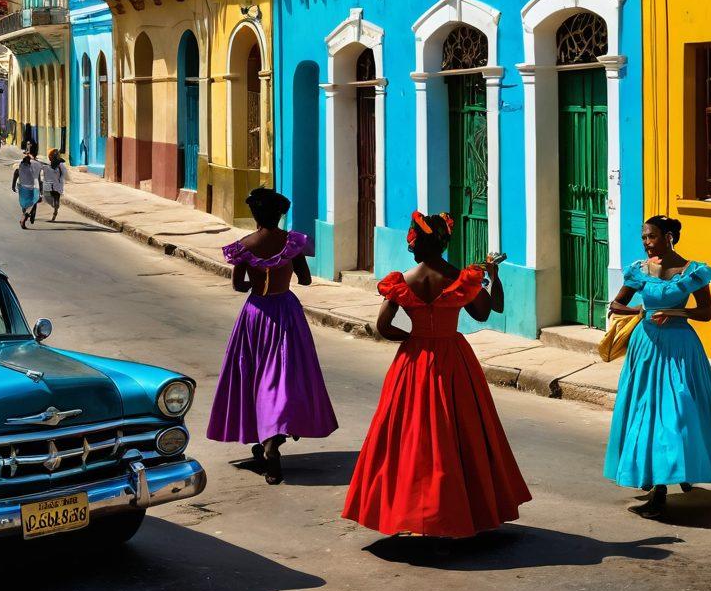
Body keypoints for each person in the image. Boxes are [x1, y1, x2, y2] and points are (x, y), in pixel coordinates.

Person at [342, 211, 531, 538]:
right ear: (443, 244)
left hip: (413, 362)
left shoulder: (403, 280)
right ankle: (452, 515)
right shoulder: (460, 278)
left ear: (417, 244)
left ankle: (409, 513)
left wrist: (413, 341)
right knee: (456, 434)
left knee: (409, 436)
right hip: (453, 361)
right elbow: (489, 311)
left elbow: (384, 327)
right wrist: (494, 277)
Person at [604, 215, 711, 519]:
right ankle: (658, 487)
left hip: (681, 348)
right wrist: (639, 309)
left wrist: (675, 311)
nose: (646, 243)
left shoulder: (693, 272)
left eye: (652, 237)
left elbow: (706, 312)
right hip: (645, 347)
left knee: (679, 413)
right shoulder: (638, 271)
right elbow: (615, 305)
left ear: (669, 237)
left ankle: (678, 470)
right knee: (646, 413)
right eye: (644, 237)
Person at [207, 187, 338, 485]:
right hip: (287, 313)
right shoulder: (292, 243)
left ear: (254, 215)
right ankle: (273, 438)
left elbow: (238, 285)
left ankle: (267, 439)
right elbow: (304, 279)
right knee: (284, 376)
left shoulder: (245, 246)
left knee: (255, 376)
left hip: (256, 314)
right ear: (280, 214)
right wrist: (288, 271)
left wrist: (256, 280)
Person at [11, 150, 42, 229]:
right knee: (33, 202)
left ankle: (26, 214)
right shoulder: (34, 168)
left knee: (25, 205)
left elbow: (16, 174)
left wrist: (13, 185)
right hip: (31, 188)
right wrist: (40, 190)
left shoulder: (20, 168)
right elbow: (37, 180)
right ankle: (24, 218)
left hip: (22, 188)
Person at [41, 148, 67, 222]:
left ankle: (55, 207)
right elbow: (64, 174)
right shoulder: (61, 165)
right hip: (57, 185)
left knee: (50, 197)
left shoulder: (47, 165)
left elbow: (43, 172)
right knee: (56, 197)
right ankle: (56, 208)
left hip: (50, 185)